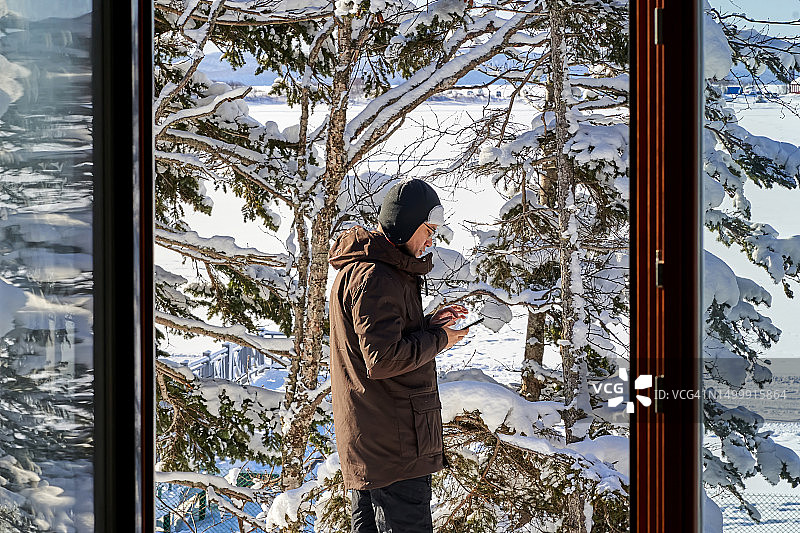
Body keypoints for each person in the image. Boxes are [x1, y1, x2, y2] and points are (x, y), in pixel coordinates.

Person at [328, 178, 470, 533]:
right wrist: (441, 339)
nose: (430, 240)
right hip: (395, 447)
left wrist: (427, 325)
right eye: (427, 229)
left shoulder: (368, 269)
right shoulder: (378, 275)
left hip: (376, 442)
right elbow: (384, 359)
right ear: (406, 224)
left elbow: (378, 340)